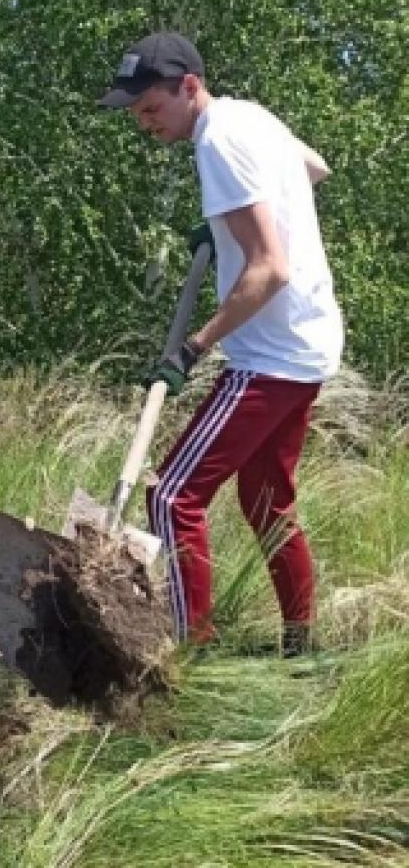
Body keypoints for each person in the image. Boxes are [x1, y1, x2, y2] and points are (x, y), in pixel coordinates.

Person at [98, 32, 344, 655]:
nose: (143, 123)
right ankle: (300, 648)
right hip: (310, 342)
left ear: (189, 86)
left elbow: (269, 269)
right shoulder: (251, 118)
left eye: (150, 108)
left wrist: (193, 350)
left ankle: (192, 654)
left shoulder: (218, 143)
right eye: (134, 114)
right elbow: (313, 168)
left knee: (172, 496)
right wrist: (224, 227)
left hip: (269, 356)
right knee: (266, 501)